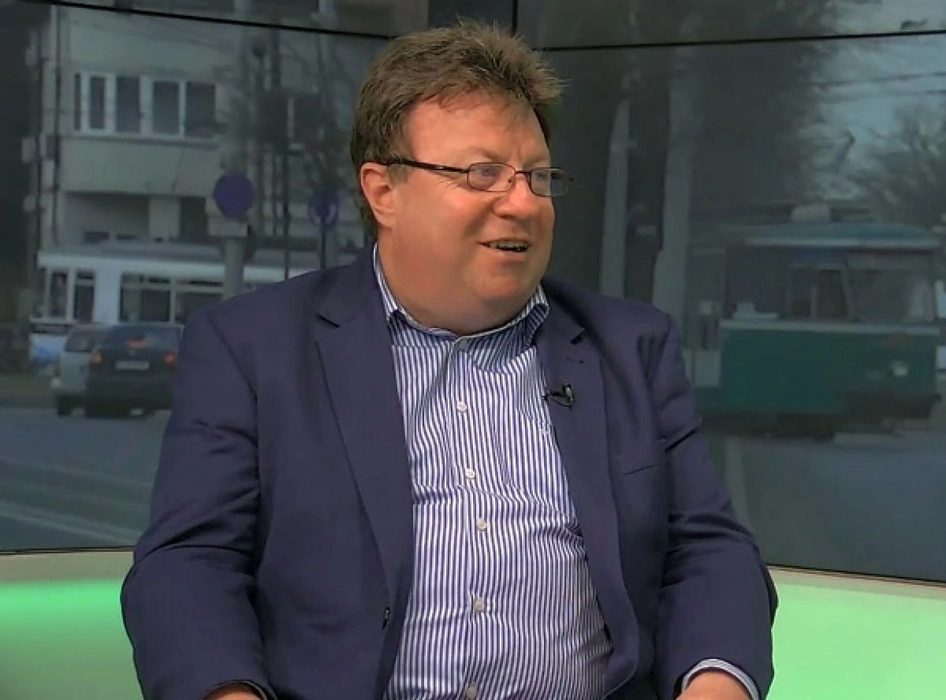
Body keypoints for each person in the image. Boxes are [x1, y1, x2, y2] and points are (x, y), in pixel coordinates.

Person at [121, 20, 777, 700]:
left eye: (537, 176)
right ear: (384, 191)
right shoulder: (252, 348)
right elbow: (188, 565)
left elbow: (709, 551)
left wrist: (715, 685)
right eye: (482, 173)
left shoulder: (632, 349)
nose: (522, 203)